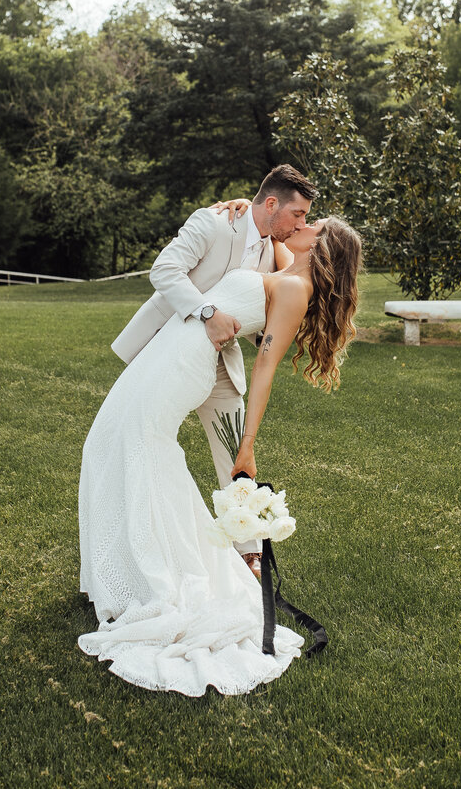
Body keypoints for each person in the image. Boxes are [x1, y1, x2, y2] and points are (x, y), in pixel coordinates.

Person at [78, 209, 363, 696]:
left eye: (311, 225)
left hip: (187, 363)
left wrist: (247, 444)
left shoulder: (295, 290)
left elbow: (265, 368)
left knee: (145, 449)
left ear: (322, 245)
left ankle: (158, 577)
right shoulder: (282, 260)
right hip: (168, 346)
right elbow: (265, 222)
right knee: (107, 440)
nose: (301, 225)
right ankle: (121, 565)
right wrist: (243, 203)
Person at [111, 165, 318, 575]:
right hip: (167, 349)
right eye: (299, 214)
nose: (303, 223)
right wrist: (207, 312)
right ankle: (141, 546)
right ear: (272, 204)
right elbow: (163, 271)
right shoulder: (214, 221)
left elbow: (279, 296)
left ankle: (249, 551)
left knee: (235, 450)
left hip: (223, 363)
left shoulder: (276, 247)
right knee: (143, 442)